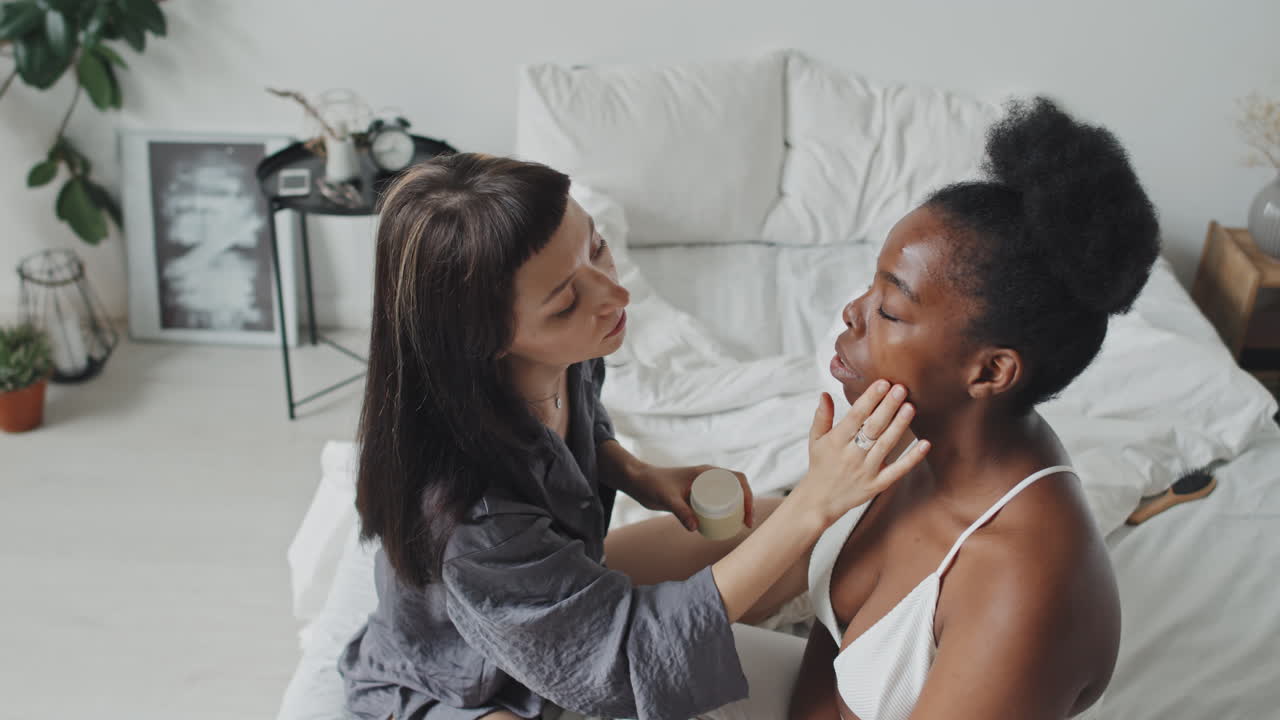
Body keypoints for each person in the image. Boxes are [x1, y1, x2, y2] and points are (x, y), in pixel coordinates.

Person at [337, 153, 931, 720]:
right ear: (485, 336)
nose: (614, 296)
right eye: (567, 301)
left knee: (815, 538)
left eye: (596, 248)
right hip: (465, 681)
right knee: (798, 533)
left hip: (558, 598)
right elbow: (621, 660)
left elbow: (584, 428)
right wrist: (813, 501)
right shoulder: (472, 517)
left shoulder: (564, 356)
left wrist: (637, 473)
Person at [791, 98, 1160, 720]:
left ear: (989, 371)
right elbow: (826, 664)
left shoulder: (1022, 586)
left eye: (889, 309)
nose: (852, 312)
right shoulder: (908, 438)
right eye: (871, 285)